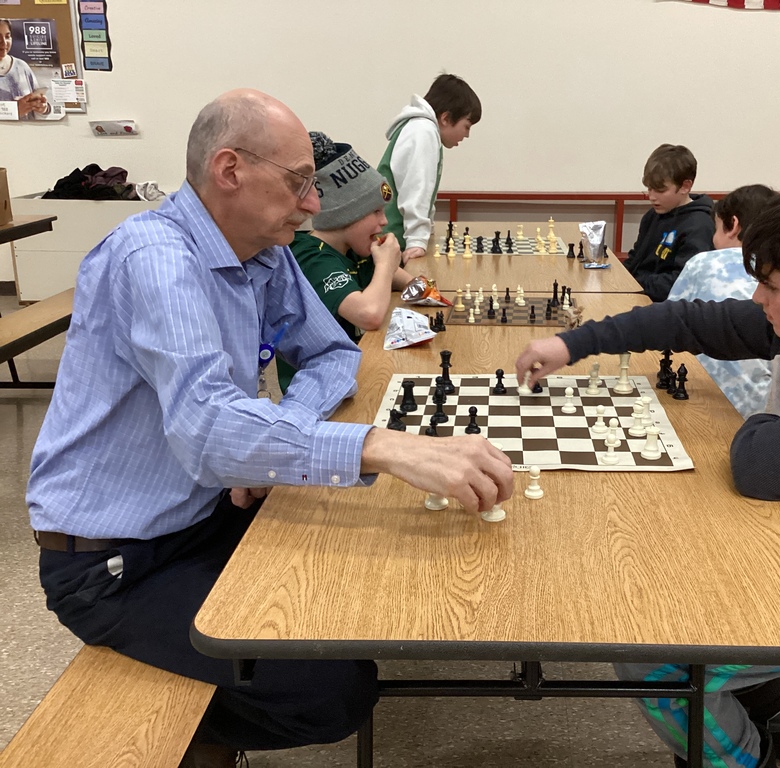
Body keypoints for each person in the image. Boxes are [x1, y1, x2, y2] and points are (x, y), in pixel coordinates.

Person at [26, 88, 513, 768]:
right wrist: (385, 445)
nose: (315, 205)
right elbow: (207, 431)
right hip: (114, 562)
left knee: (356, 587)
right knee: (333, 690)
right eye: (300, 184)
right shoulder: (157, 260)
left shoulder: (265, 249)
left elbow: (334, 353)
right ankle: (185, 734)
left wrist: (273, 433)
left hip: (205, 511)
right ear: (230, 170)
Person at [515, 169, 780, 768]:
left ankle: (744, 760)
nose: (756, 300)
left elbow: (759, 467)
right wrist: (573, 345)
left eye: (769, 287)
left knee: (650, 655)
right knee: (661, 566)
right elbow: (684, 320)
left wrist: (759, 421)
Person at [277, 131, 415, 392]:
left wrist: (400, 273)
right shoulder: (310, 255)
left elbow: (409, 284)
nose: (384, 222)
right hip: (317, 392)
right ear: (345, 215)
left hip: (355, 373)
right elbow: (369, 315)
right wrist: (386, 265)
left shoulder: (355, 249)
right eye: (375, 212)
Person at [666, 184, 779, 417]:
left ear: (733, 226)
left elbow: (668, 323)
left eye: (715, 228)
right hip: (761, 409)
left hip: (700, 398)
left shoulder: (702, 263)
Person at [377, 73, 481, 262]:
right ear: (446, 118)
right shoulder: (423, 132)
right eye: (467, 126)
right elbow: (415, 190)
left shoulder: (421, 129)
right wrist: (417, 241)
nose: (467, 135)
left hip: (390, 239)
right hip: (390, 241)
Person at [623, 144, 715, 302]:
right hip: (639, 294)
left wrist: (634, 284)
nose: (652, 197)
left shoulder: (699, 226)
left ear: (685, 186)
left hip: (666, 307)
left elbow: (681, 282)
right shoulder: (652, 216)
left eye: (660, 190)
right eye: (649, 189)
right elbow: (635, 259)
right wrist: (618, 277)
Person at [0, 19, 50, 119]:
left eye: (7, 36)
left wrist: (43, 108)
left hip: (28, 133)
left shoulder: (22, 66)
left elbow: (37, 106)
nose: (4, 42)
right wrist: (14, 111)